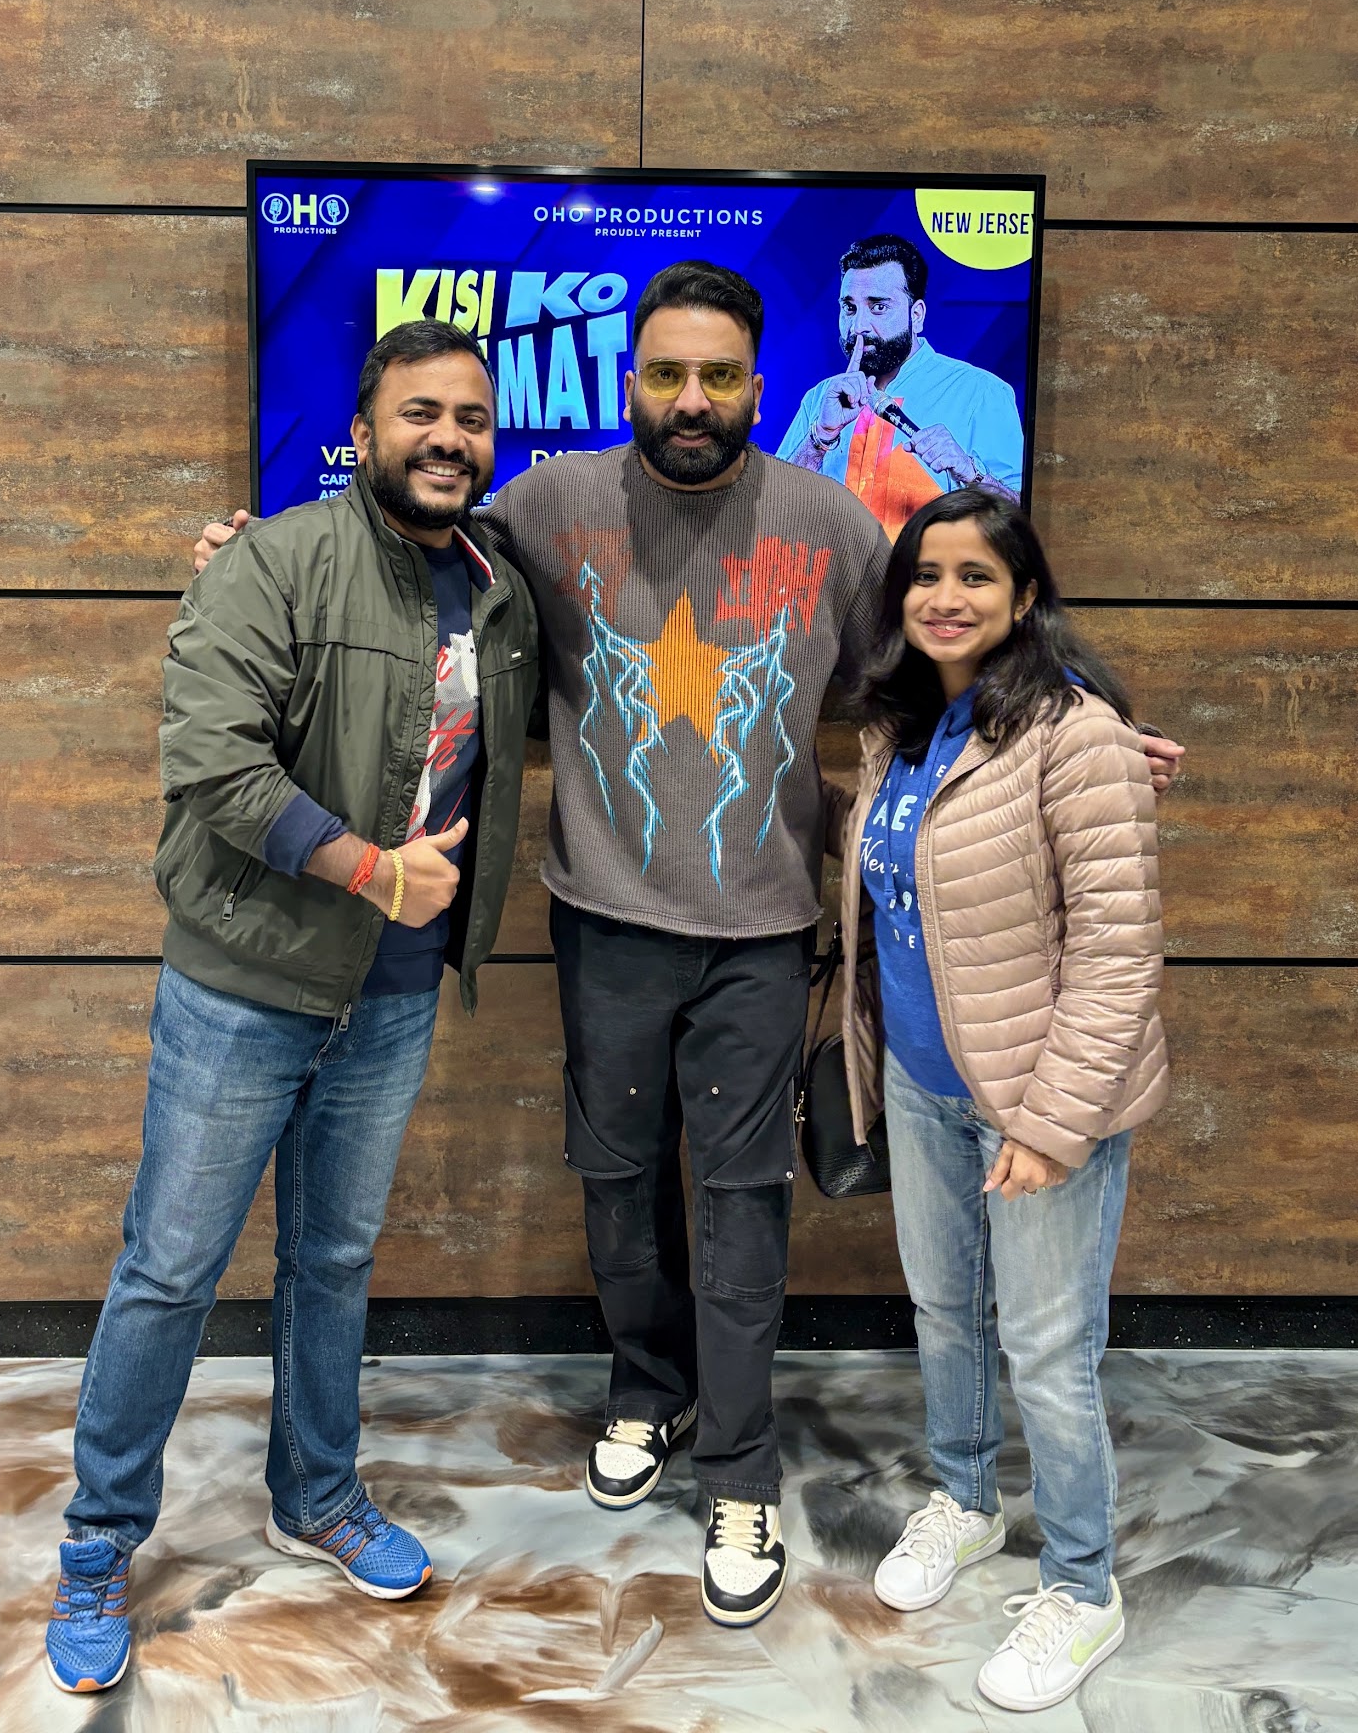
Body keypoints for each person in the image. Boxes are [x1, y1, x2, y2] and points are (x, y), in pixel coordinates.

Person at [194, 263, 1184, 1632]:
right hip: (600, 918)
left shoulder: (832, 523)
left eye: (719, 376)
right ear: (630, 383)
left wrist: (1073, 718)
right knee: (613, 1182)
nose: (692, 399)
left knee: (737, 1203)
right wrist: (255, 554)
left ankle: (738, 1472)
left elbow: (938, 655)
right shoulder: (544, 506)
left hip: (760, 935)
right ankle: (645, 1393)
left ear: (757, 387)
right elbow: (396, 553)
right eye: (666, 374)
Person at [44, 320, 539, 1694]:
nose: (448, 437)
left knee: (332, 1260)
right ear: (363, 432)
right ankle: (98, 1543)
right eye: (420, 412)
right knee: (169, 1268)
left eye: (471, 417)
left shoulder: (500, 589)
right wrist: (372, 872)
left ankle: (316, 1494)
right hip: (245, 983)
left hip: (392, 999)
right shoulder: (273, 562)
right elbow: (211, 763)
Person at [826, 485, 1167, 1712]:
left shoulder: (1076, 735)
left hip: (1034, 1103)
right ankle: (964, 1501)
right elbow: (903, 865)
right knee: (943, 1313)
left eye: (974, 575)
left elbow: (1116, 954)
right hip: (922, 1087)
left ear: (1023, 597)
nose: (944, 596)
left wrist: (1050, 1124)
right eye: (925, 575)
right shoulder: (901, 727)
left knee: (1045, 1348)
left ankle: (1081, 1586)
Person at [776, 233, 1023, 534]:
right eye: (850, 308)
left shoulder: (980, 392)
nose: (858, 327)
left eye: (878, 307)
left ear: (916, 316)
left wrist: (971, 473)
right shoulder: (820, 399)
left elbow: (1020, 520)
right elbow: (774, 510)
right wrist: (820, 438)